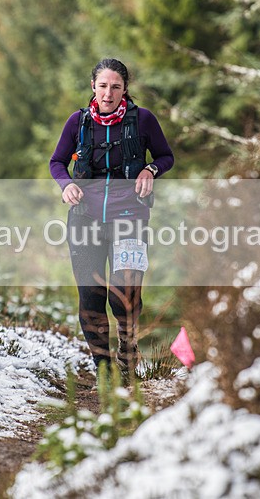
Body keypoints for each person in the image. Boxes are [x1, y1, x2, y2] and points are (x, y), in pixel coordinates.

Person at [50, 58, 174, 380]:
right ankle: (104, 370)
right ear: (93, 87)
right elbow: (57, 162)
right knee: (91, 296)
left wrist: (150, 169)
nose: (108, 93)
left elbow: (166, 156)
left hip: (130, 217)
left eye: (115, 87)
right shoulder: (77, 122)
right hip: (84, 218)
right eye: (103, 86)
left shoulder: (143, 120)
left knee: (125, 293)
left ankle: (127, 349)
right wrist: (67, 185)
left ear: (125, 89)